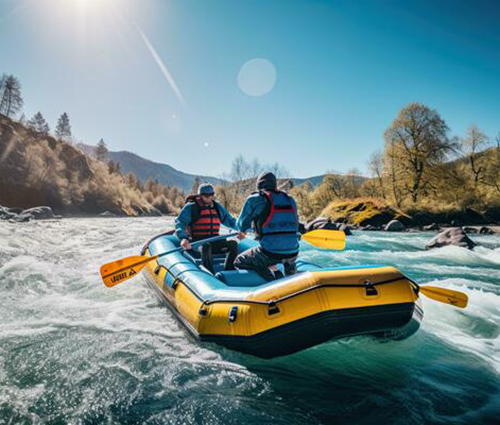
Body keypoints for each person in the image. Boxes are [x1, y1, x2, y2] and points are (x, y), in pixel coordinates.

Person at [234, 171, 300, 281]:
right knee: (286, 259)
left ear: (259, 185)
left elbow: (241, 224)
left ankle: (272, 276)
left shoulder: (255, 199)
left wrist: (242, 231)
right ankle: (287, 271)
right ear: (275, 185)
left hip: (269, 253)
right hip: (293, 252)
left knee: (239, 261)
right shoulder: (290, 200)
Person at [175, 183, 244, 273]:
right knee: (206, 246)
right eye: (206, 195)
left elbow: (230, 221)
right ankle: (209, 273)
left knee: (233, 244)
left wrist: (241, 230)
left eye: (211, 195)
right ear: (200, 195)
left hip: (214, 240)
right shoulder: (191, 207)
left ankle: (229, 268)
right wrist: (183, 238)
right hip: (197, 242)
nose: (209, 197)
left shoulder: (217, 207)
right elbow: (180, 222)